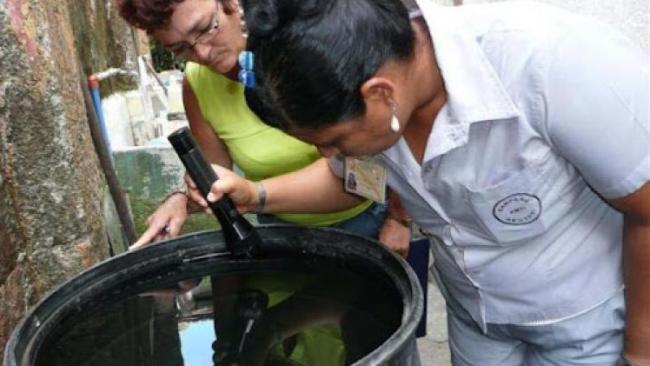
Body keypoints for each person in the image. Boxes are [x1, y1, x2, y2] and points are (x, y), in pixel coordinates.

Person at [192, 0, 650, 365]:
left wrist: (640, 352)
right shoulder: (374, 101)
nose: (332, 155)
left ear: (379, 93)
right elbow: (355, 182)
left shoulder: (549, 65)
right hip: (478, 319)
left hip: (584, 328)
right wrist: (256, 195)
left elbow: (646, 209)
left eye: (334, 140)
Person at [117, 0, 411, 256]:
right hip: (279, 232)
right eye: (181, 48)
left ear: (232, 3)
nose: (203, 53)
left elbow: (367, 174)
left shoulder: (307, 47)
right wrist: (181, 199)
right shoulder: (198, 84)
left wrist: (399, 217)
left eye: (206, 27)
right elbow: (215, 177)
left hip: (364, 224)